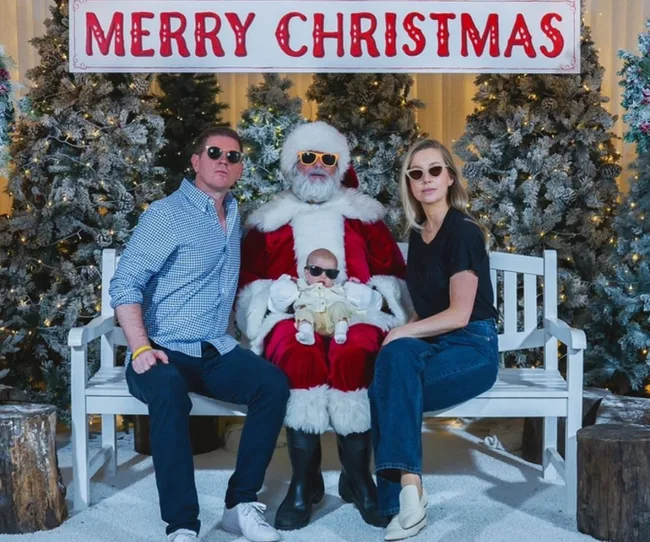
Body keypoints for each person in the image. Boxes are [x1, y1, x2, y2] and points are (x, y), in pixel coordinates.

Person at [109, 127, 289, 542]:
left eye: (234, 156)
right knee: (169, 393)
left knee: (272, 384)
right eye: (214, 152)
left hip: (214, 348)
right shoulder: (167, 214)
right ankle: (182, 525)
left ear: (241, 168)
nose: (224, 160)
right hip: (161, 351)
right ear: (196, 161)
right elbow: (125, 284)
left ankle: (239, 505)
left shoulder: (233, 215)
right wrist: (139, 348)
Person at [236, 121, 412, 530]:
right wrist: (276, 299)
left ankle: (357, 479)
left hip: (358, 314)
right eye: (308, 157)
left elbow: (393, 276)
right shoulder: (270, 222)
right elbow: (250, 286)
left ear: (340, 165)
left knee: (355, 353)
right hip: (289, 316)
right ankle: (305, 481)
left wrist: (372, 299)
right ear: (292, 164)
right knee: (298, 354)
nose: (318, 166)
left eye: (328, 158)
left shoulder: (363, 217)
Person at [368, 139, 499, 541]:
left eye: (435, 170)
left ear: (450, 177)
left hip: (473, 346)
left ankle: (401, 500)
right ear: (408, 183)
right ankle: (409, 494)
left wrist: (401, 332)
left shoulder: (463, 232)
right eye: (416, 173)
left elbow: (460, 314)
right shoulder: (419, 233)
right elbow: (423, 312)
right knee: (393, 362)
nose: (426, 179)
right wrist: (403, 334)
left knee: (388, 385)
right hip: (436, 343)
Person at [290, 248, 359, 345]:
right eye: (316, 271)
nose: (323, 276)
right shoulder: (303, 285)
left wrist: (354, 285)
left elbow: (348, 292)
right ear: (306, 272)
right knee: (303, 310)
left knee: (340, 305)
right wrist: (291, 282)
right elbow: (289, 286)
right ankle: (306, 333)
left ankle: (341, 331)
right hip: (313, 321)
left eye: (330, 273)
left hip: (333, 321)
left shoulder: (337, 287)